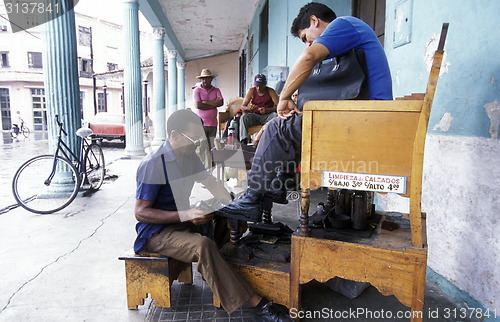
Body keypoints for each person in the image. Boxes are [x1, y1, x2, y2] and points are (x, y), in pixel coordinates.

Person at [219, 2, 393, 221]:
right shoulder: (347, 42)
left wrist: (283, 98)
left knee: (277, 127)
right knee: (290, 122)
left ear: (314, 21)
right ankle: (276, 184)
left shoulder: (344, 24)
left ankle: (252, 199)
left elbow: (308, 58)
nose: (308, 44)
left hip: (367, 119)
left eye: (305, 37)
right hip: (365, 117)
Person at [134, 109, 292, 321]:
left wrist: (236, 206)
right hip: (157, 234)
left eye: (200, 138)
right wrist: (186, 215)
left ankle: (218, 269)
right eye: (193, 138)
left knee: (224, 212)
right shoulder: (153, 164)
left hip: (182, 222)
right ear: (174, 135)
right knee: (203, 246)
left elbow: (212, 184)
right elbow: (141, 213)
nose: (198, 144)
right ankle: (260, 306)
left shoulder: (188, 156)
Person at [193, 68, 224, 169]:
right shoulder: (197, 90)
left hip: (213, 124)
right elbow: (198, 105)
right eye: (203, 79)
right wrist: (213, 104)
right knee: (202, 148)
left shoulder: (216, 90)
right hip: (201, 124)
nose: (204, 81)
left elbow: (221, 103)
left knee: (211, 147)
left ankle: (210, 170)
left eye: (207, 79)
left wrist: (206, 102)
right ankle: (202, 170)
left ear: (211, 79)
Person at [239, 74, 279, 145]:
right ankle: (243, 140)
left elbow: (279, 107)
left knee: (275, 116)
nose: (258, 88)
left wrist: (268, 110)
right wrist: (249, 108)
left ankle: (274, 139)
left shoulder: (270, 91)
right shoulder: (251, 91)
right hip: (255, 115)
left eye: (261, 86)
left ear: (265, 84)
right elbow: (242, 106)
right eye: (257, 86)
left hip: (267, 116)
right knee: (244, 118)